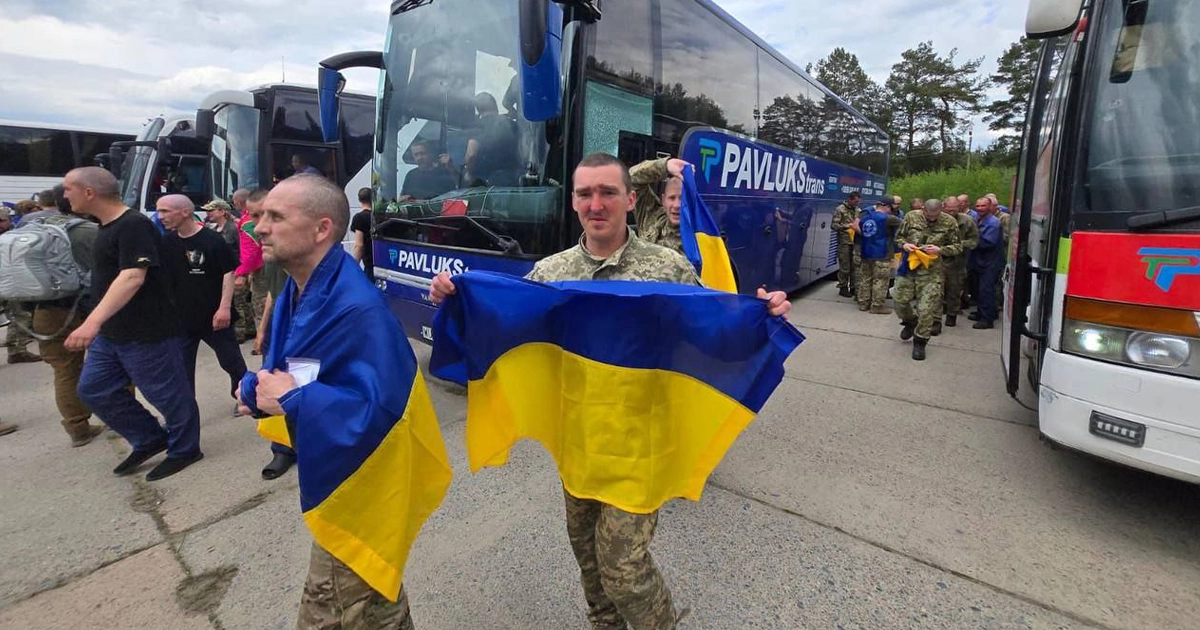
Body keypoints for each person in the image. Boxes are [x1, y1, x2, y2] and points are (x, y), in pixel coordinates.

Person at [430, 153, 791, 630]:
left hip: (640, 447)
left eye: (607, 193)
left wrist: (762, 316)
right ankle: (605, 623)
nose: (595, 204)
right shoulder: (551, 272)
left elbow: (714, 336)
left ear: (630, 199)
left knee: (624, 570)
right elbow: (507, 322)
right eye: (585, 194)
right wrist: (457, 299)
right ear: (575, 203)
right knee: (589, 559)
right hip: (577, 443)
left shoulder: (669, 269)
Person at [240, 174, 428, 627]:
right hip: (333, 465)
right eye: (261, 215)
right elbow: (291, 365)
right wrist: (258, 389)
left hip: (359, 486)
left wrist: (296, 399)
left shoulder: (356, 309)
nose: (258, 227)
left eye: (276, 217)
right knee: (378, 602)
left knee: (326, 616)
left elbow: (383, 415)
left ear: (323, 229)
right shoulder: (300, 288)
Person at [63, 167, 202, 481]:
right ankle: (149, 438)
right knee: (93, 389)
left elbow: (132, 277)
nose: (64, 195)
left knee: (168, 395)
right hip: (113, 333)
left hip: (146, 331)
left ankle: (185, 449)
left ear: (89, 192)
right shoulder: (106, 227)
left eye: (68, 188)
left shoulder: (133, 226)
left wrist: (91, 323)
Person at [22, 185, 107, 447]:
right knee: (114, 362)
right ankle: (120, 417)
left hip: (45, 311)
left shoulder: (27, 229)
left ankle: (77, 426)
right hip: (90, 308)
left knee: (65, 370)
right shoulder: (89, 232)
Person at [157, 195, 247, 401]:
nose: (160, 216)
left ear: (185, 212)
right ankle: (186, 411)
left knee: (231, 361)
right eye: (159, 211)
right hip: (182, 320)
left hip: (214, 317)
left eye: (165, 211)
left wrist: (224, 308)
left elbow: (229, 272)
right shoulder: (167, 242)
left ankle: (243, 394)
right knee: (181, 368)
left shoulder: (212, 240)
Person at [893, 198, 962, 361]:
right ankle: (910, 321)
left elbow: (958, 247)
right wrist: (904, 245)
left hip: (932, 273)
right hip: (909, 268)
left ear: (941, 211)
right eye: (928, 216)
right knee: (899, 302)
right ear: (923, 209)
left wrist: (941, 249)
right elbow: (898, 238)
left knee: (926, 310)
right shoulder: (911, 217)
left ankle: (920, 342)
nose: (931, 219)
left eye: (935, 217)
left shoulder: (950, 222)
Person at [1, 206, 41, 364]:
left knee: (20, 316)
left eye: (3, 220)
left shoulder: (13, 235)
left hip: (11, 282)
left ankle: (17, 350)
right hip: (8, 281)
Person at [850, 198, 902, 314]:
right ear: (887, 207)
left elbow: (859, 230)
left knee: (865, 279)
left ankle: (864, 304)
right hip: (882, 254)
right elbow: (904, 225)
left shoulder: (865, 218)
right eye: (891, 208)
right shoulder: (889, 218)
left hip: (866, 253)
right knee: (880, 280)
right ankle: (877, 306)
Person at [234, 189, 268, 345]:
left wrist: (241, 273)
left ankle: (264, 343)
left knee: (260, 306)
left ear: (240, 203)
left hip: (261, 269)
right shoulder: (250, 221)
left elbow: (251, 251)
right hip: (265, 266)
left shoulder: (248, 223)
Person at [464, 92, 519, 186]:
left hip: (486, 184)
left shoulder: (477, 126)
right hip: (511, 181)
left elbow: (471, 154)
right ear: (495, 106)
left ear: (478, 109)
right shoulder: (512, 125)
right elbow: (523, 151)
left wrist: (469, 173)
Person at [941, 196, 978, 329]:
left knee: (954, 290)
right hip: (937, 261)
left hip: (957, 262)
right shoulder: (936, 219)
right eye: (949, 210)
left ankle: (952, 315)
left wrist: (958, 245)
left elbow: (974, 241)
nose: (952, 213)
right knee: (936, 291)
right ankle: (935, 319)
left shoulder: (967, 221)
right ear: (943, 207)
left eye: (955, 210)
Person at [630, 156, 690, 237]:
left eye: (682, 199)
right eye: (672, 198)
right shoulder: (651, 218)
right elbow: (631, 178)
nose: (677, 205)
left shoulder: (698, 237)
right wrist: (664, 166)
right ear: (663, 200)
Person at [969, 197, 1003, 329]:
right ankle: (981, 312)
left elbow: (987, 243)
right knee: (979, 289)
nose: (980, 209)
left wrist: (969, 242)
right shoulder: (978, 219)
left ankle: (987, 319)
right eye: (977, 206)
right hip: (980, 261)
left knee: (986, 290)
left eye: (983, 206)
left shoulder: (993, 223)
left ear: (990, 207)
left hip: (990, 262)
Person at [831, 191, 862, 298]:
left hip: (855, 241)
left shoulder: (858, 210)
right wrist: (846, 226)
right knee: (845, 265)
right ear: (850, 199)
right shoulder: (840, 209)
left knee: (855, 265)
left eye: (858, 201)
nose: (857, 203)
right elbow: (834, 225)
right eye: (855, 201)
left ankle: (853, 287)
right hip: (844, 241)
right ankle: (843, 287)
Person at [350, 187, 375, 279]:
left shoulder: (359, 218)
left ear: (359, 200)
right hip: (381, 260)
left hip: (369, 264)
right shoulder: (379, 216)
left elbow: (359, 245)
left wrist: (353, 266)